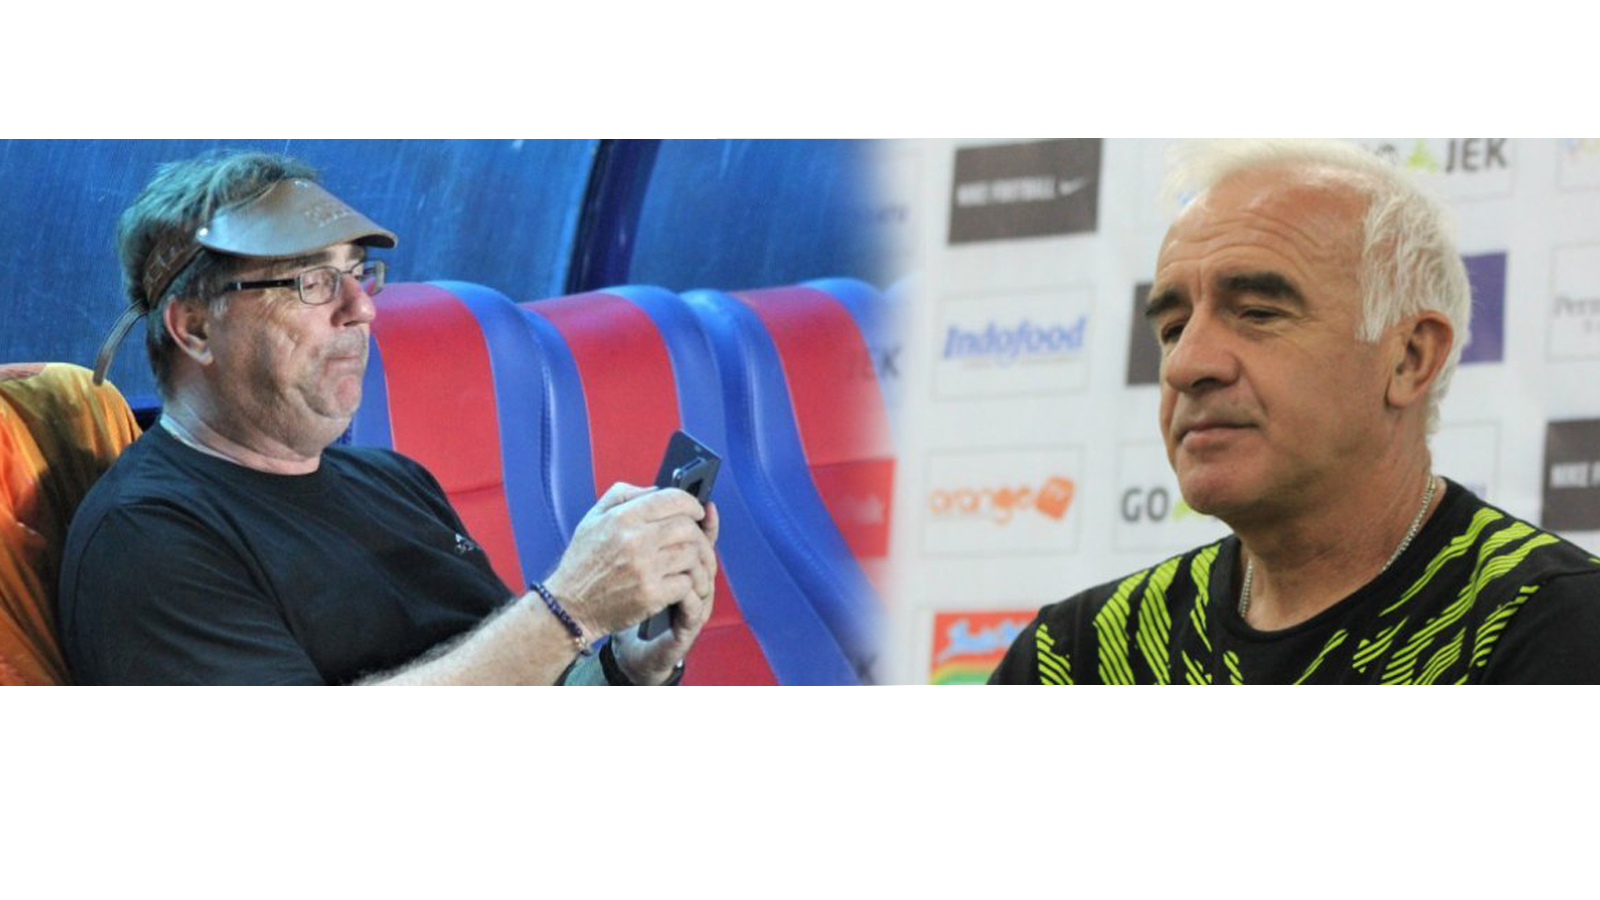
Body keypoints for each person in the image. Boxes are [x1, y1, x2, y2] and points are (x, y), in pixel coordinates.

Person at [57, 150, 718, 685]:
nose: (362, 308)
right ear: (196, 328)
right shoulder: (148, 537)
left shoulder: (396, 480)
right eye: (312, 281)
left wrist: (624, 668)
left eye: (358, 274)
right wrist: (569, 608)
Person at [990, 139, 1600, 685]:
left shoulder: (1555, 627)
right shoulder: (1078, 656)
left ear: (1409, 358)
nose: (1185, 365)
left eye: (1257, 313)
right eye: (1173, 328)